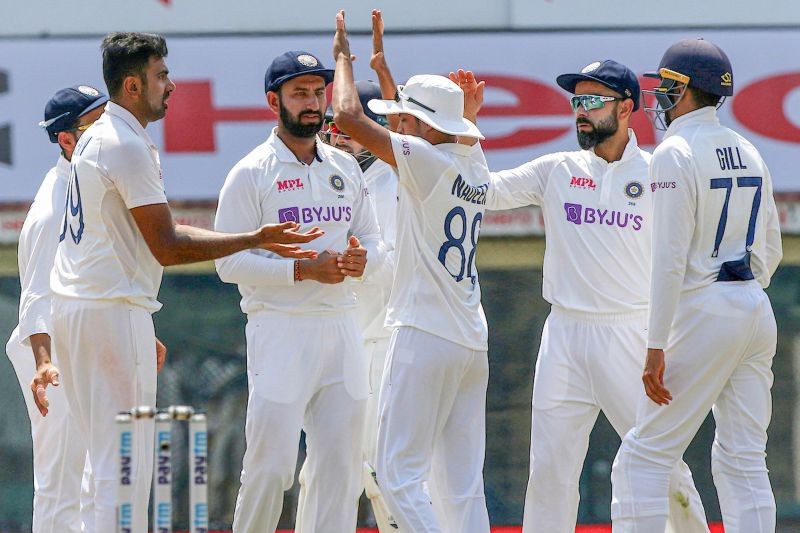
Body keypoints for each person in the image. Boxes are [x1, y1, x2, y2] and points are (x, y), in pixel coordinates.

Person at [50, 33, 322, 533]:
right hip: (111, 311)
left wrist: (248, 236)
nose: (171, 85)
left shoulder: (96, 135)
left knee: (100, 462)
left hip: (78, 307)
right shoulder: (126, 144)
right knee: (124, 466)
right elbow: (168, 247)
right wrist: (252, 238)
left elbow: (149, 233)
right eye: (161, 76)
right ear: (133, 85)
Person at [452, 58, 710, 532]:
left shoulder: (660, 173)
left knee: (658, 459)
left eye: (593, 102)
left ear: (627, 107)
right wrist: (468, 128)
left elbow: (687, 263)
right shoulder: (557, 169)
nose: (581, 112)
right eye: (577, 102)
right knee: (550, 468)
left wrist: (670, 338)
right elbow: (481, 191)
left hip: (630, 336)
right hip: (565, 336)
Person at [611, 38, 783, 533]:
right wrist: (742, 293)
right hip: (753, 306)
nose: (659, 96)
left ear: (684, 89)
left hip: (704, 308)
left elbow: (667, 260)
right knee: (743, 459)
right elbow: (768, 248)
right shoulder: (748, 149)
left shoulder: (674, 152)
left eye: (666, 85)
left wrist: (655, 345)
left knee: (641, 458)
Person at [333, 10, 491, 532]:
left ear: (423, 128)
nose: (393, 126)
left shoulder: (425, 161)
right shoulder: (472, 162)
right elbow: (431, 128)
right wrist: (388, 73)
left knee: (395, 475)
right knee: (463, 486)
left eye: (401, 119)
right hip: (471, 340)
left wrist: (344, 61)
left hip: (423, 334)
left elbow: (350, 120)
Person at [214, 49, 385, 533]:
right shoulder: (251, 172)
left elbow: (370, 237)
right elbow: (227, 262)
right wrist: (303, 272)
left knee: (340, 469)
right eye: (299, 94)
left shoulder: (345, 168)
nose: (313, 103)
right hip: (280, 329)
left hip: (341, 325)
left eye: (317, 92)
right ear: (274, 101)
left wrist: (360, 258)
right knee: (271, 469)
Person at [4, 85, 106, 533]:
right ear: (68, 140)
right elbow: (36, 294)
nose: (110, 135)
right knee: (60, 483)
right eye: (97, 125)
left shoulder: (89, 183)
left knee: (89, 481)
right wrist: (45, 362)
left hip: (78, 340)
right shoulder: (53, 207)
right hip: (51, 349)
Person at [320, 78, 399, 532]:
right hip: (335, 341)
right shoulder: (325, 176)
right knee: (324, 474)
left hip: (383, 342)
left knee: (381, 473)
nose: (339, 134)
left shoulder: (398, 181)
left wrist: (368, 260)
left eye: (352, 126)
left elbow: (405, 268)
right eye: (334, 124)